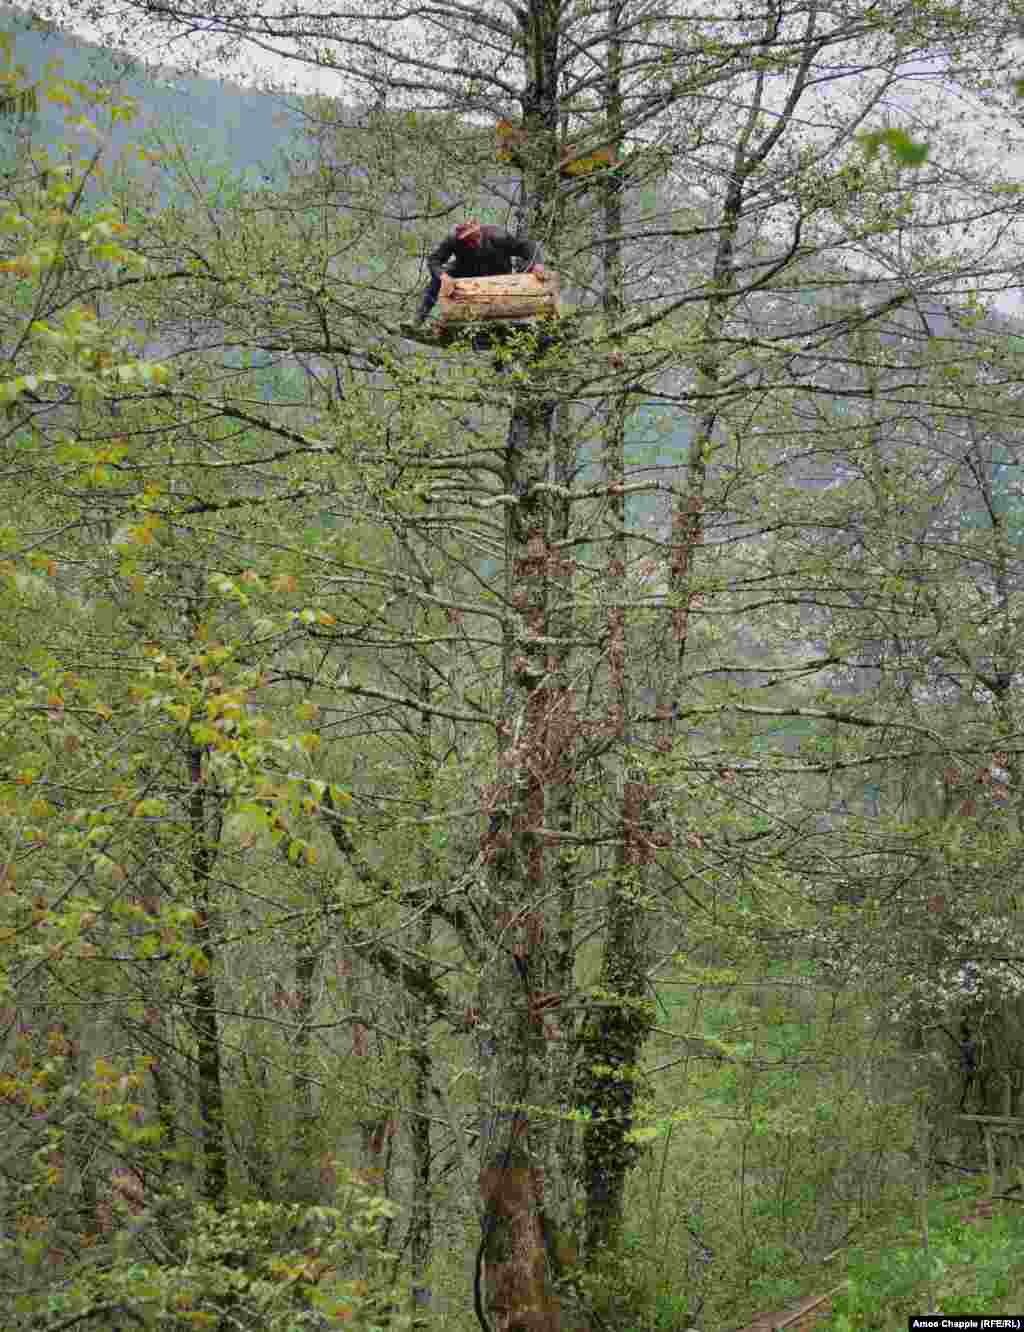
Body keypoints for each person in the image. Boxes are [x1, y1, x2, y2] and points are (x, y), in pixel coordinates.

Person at [415, 220, 544, 324]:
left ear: (480, 232)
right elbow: (433, 261)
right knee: (438, 278)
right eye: (469, 241)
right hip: (468, 271)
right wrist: (443, 277)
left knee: (523, 276)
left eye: (476, 237)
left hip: (498, 275)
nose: (475, 242)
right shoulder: (453, 240)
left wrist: (537, 263)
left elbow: (527, 246)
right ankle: (418, 319)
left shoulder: (498, 236)